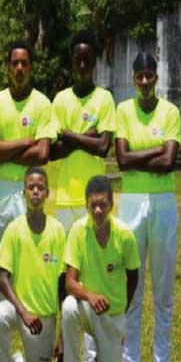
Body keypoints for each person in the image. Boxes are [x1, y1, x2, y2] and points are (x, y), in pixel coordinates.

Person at [112, 52, 180, 362]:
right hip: (132, 204)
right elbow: (122, 161)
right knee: (132, 292)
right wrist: (153, 150)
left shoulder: (170, 112)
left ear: (156, 77)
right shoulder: (123, 110)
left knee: (164, 294)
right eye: (138, 76)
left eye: (149, 76)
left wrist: (142, 158)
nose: (143, 82)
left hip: (164, 205)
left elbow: (170, 162)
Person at [0, 167, 65, 362]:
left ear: (48, 193)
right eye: (31, 187)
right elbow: (2, 278)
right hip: (19, 311)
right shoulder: (14, 229)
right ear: (24, 193)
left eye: (40, 188)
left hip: (44, 321)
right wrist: (23, 312)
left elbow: (63, 284)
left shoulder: (58, 231)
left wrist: (62, 333)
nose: (36, 192)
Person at [58, 176, 140, 362]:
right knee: (68, 307)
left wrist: (122, 309)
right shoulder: (77, 230)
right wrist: (90, 296)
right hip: (88, 310)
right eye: (92, 204)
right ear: (86, 204)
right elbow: (70, 282)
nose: (97, 210)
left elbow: (134, 276)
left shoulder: (125, 235)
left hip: (112, 318)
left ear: (111, 205)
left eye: (102, 204)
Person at [0, 41, 55, 254]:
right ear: (8, 67)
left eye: (24, 63)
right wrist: (24, 142)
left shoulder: (42, 103)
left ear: (31, 67)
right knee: (1, 253)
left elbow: (42, 154)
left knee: (30, 252)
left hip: (32, 189)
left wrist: (2, 152)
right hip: (2, 189)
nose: (19, 69)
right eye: (15, 63)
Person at [50, 30, 116, 229]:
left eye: (87, 60)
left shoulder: (104, 98)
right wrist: (87, 138)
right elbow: (53, 152)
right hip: (64, 197)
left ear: (95, 61)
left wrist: (69, 136)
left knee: (94, 259)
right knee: (67, 259)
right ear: (72, 61)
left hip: (96, 197)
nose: (82, 65)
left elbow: (103, 147)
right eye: (78, 60)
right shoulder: (61, 99)